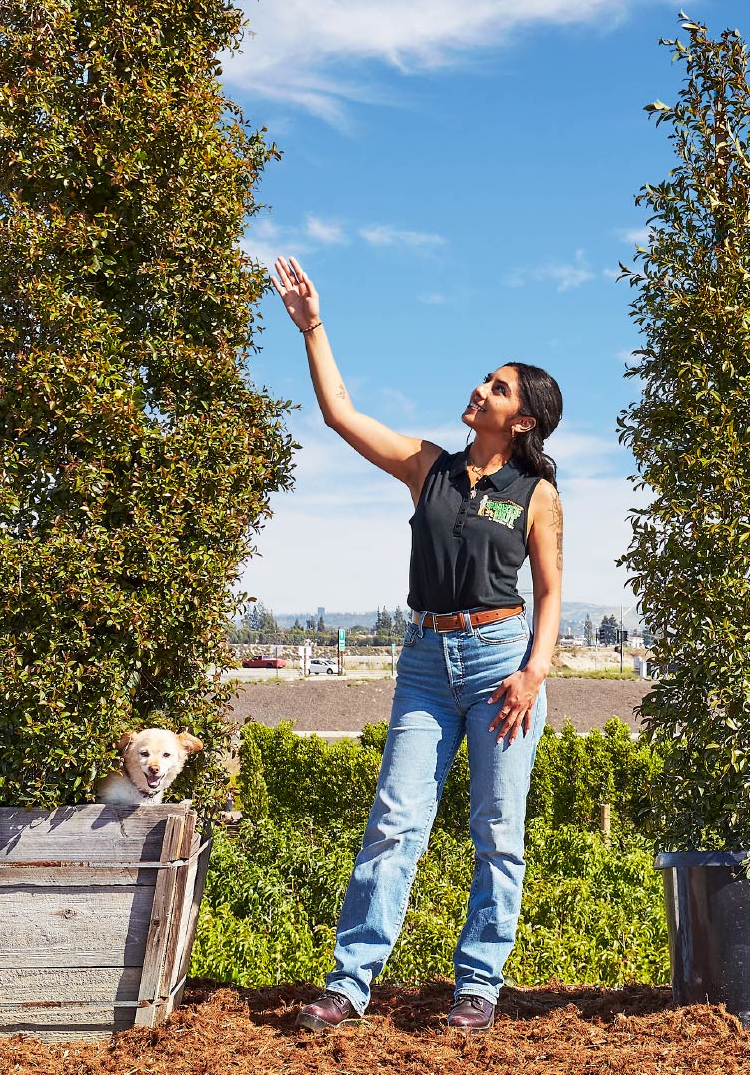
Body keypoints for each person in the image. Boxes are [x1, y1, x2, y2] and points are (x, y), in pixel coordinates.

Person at [268, 255, 564, 1035]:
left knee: (498, 831)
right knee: (395, 821)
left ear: (522, 419)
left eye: (497, 389)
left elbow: (550, 591)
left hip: (503, 665)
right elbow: (339, 414)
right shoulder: (428, 467)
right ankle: (349, 983)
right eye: (483, 381)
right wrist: (312, 327)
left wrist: (535, 672)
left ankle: (479, 987)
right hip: (426, 664)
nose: (480, 390)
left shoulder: (535, 495)